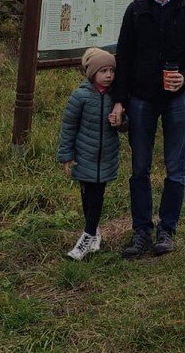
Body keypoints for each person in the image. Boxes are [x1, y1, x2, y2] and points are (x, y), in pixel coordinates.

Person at [111, 0, 185, 258]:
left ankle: (167, 229)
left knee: (175, 168)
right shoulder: (135, 10)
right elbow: (123, 58)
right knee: (139, 168)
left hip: (178, 99)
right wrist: (118, 101)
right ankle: (141, 232)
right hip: (141, 100)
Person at [57, 48, 122, 261]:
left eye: (112, 70)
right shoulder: (80, 96)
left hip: (106, 157)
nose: (109, 75)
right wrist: (66, 155)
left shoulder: (116, 96)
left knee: (97, 196)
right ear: (92, 72)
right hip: (84, 156)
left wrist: (120, 121)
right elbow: (69, 126)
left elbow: (125, 125)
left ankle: (86, 238)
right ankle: (94, 231)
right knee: (86, 195)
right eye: (103, 70)